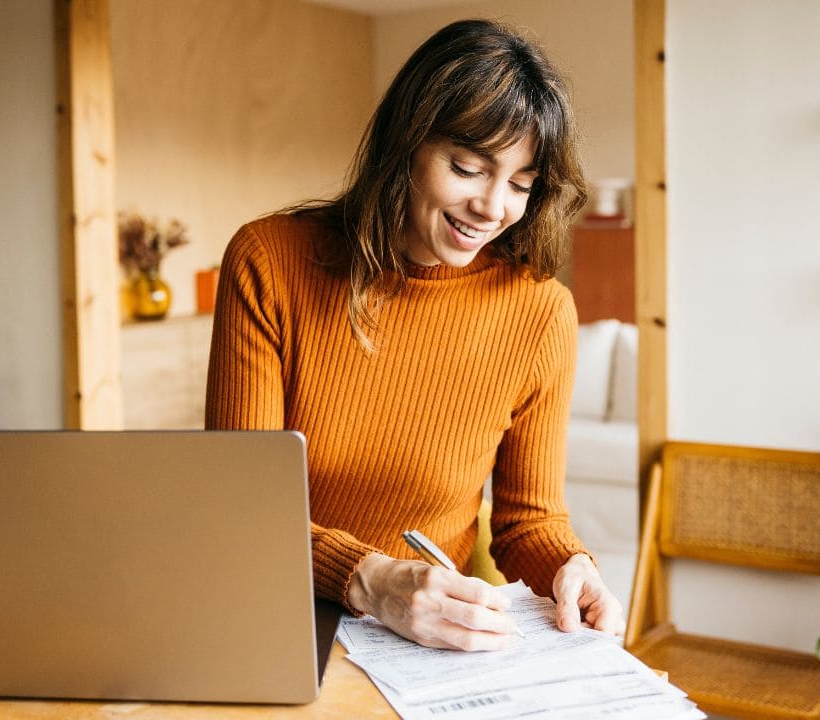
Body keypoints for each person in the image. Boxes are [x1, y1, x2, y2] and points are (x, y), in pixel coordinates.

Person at [205, 18, 623, 652]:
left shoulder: (539, 311)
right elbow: (240, 506)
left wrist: (571, 566)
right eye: (467, 167)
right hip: (269, 617)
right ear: (406, 143)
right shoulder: (270, 261)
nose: (493, 207)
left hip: (424, 649)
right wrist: (369, 581)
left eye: (520, 184)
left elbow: (528, 521)